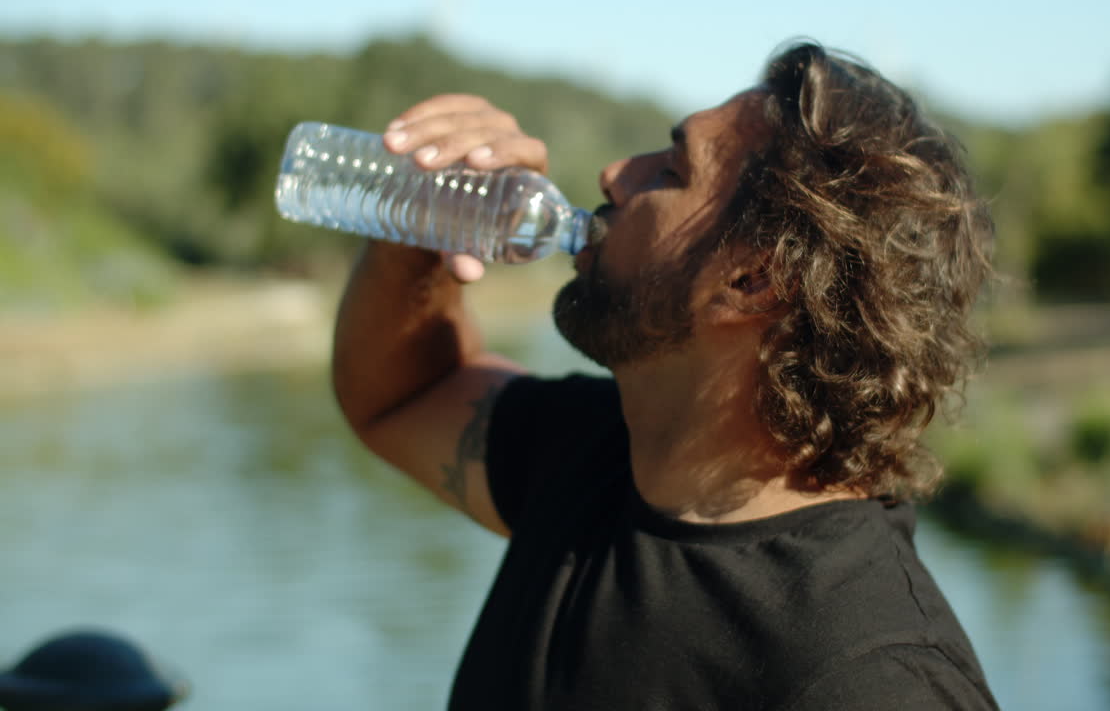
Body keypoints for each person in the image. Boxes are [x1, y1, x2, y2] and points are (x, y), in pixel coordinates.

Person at [333, 41, 1000, 710]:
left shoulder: (874, 680)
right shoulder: (591, 453)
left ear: (754, 280)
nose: (614, 174)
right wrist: (414, 235)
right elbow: (400, 395)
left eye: (670, 171)